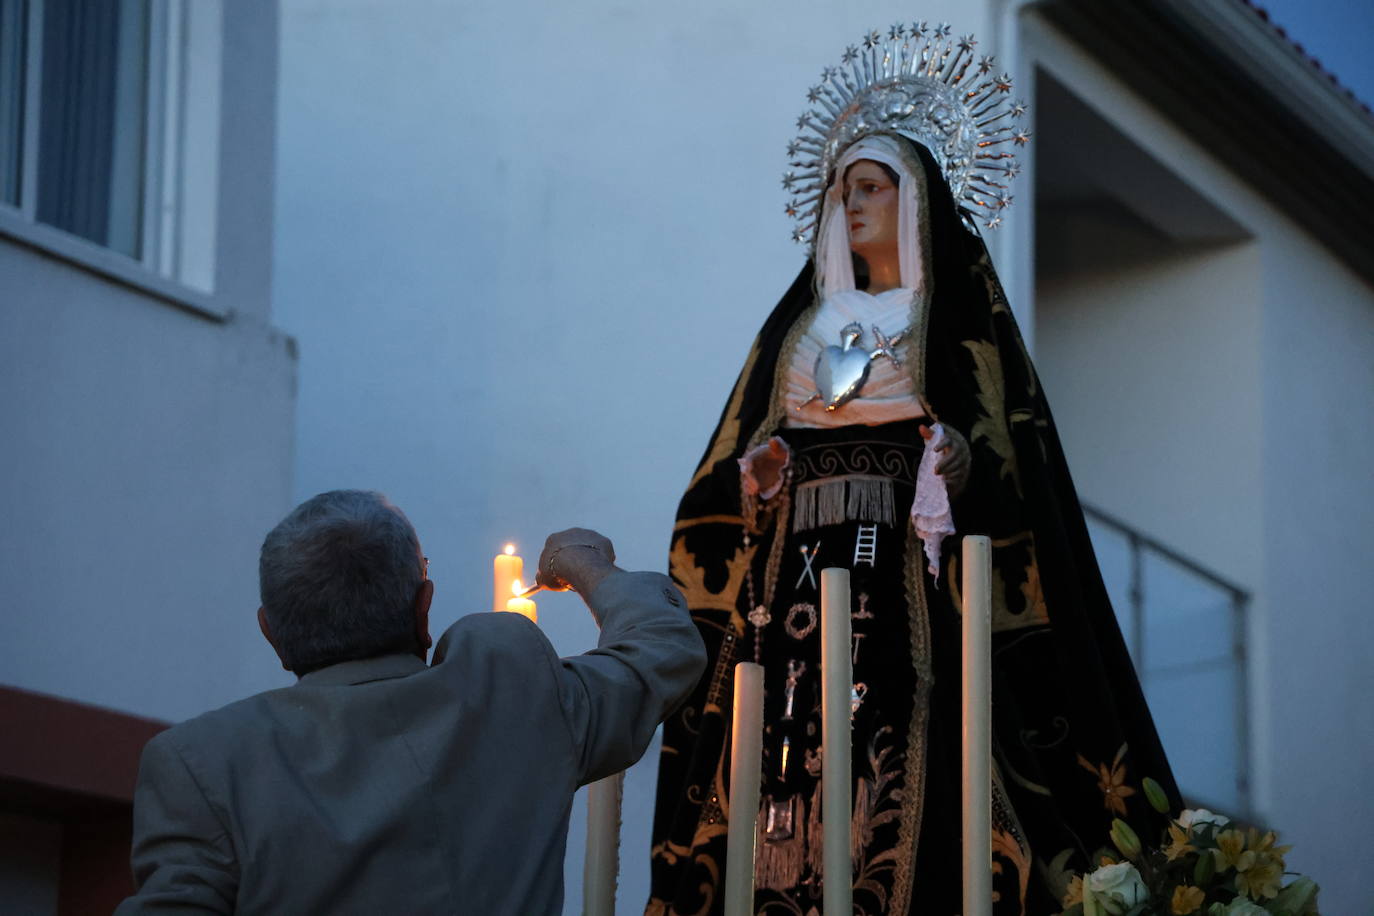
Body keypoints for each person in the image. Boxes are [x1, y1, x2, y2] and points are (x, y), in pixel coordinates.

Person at [646, 27, 1178, 915]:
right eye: (840, 190)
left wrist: (959, 465)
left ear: (917, 200)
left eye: (871, 187)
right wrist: (760, 476)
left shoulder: (955, 323)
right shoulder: (799, 332)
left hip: (911, 580)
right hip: (793, 588)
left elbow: (1014, 470)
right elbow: (728, 469)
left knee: (909, 738)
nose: (849, 205)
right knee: (778, 751)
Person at [115, 489, 706, 915]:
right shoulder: (514, 697)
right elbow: (663, 649)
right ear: (424, 608)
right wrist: (587, 565)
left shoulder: (202, 764)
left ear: (272, 633)